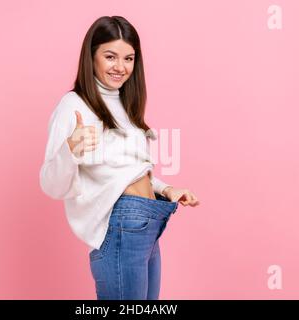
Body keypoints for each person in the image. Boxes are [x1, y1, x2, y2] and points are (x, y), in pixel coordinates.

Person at [39, 16, 199, 300]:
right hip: (124, 223)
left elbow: (127, 169)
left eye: (129, 58)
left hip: (148, 221)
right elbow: (51, 184)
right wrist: (71, 148)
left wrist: (165, 189)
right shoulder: (73, 105)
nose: (120, 67)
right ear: (91, 57)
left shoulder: (124, 105)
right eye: (110, 56)